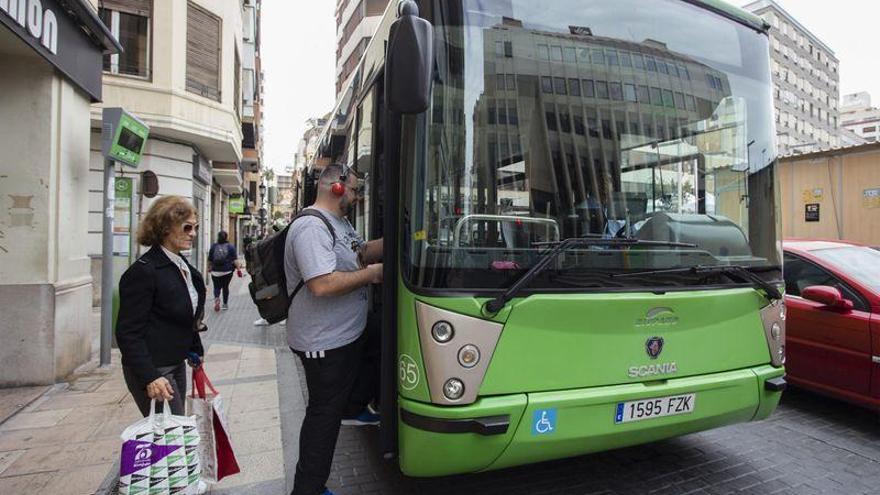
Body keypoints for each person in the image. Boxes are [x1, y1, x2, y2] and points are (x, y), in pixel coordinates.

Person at [285, 164, 383, 495]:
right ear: (336, 187)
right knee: (323, 418)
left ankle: (354, 406)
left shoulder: (338, 222)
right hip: (322, 342)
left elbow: (361, 252)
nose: (357, 196)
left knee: (379, 334)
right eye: (354, 190)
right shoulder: (311, 227)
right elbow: (322, 284)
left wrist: (403, 237)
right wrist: (371, 275)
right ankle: (308, 489)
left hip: (346, 332)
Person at [116, 195, 206, 418]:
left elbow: (186, 317)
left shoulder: (180, 264)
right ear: (166, 227)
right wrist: (149, 376)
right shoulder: (144, 271)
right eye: (187, 228)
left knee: (176, 431)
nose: (192, 234)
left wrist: (195, 348)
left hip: (175, 361)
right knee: (170, 437)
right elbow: (128, 332)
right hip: (154, 368)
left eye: (195, 227)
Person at [208, 231, 238, 311]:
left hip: (215, 271)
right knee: (225, 287)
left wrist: (209, 267)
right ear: (226, 237)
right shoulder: (230, 247)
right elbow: (235, 260)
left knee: (216, 287)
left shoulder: (214, 246)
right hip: (227, 271)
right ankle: (225, 304)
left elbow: (210, 259)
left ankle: (217, 299)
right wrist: (239, 269)